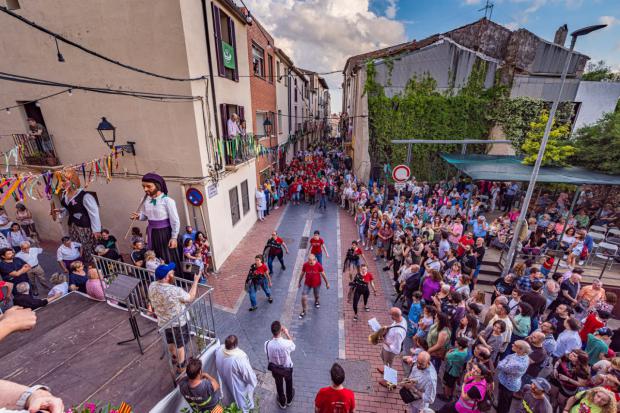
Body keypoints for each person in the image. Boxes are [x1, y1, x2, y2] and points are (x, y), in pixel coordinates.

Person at [148, 263, 201, 374]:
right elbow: (190, 297)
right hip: (178, 323)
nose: (174, 273)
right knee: (180, 345)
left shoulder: (152, 285)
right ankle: (181, 367)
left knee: (170, 342)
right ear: (167, 277)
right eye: (171, 273)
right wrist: (195, 281)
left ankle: (174, 357)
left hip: (163, 322)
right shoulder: (175, 290)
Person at [132, 173, 181, 267]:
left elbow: (175, 221)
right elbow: (146, 216)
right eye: (143, 186)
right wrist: (139, 216)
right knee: (154, 256)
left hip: (164, 233)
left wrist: (174, 237)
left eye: (148, 186)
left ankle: (169, 277)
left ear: (157, 186)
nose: (145, 189)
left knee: (166, 256)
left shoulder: (168, 201)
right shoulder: (144, 199)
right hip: (152, 232)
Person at [53, 169, 101, 263]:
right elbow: (70, 209)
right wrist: (62, 210)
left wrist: (96, 230)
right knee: (77, 245)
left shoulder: (85, 195)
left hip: (85, 227)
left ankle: (93, 267)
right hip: (73, 226)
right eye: (61, 181)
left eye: (64, 180)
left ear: (72, 181)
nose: (62, 183)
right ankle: (81, 265)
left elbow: (94, 213)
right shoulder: (65, 195)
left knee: (88, 246)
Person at [215, 335, 257, 413]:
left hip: (226, 388)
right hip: (239, 391)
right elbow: (250, 377)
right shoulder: (239, 359)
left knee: (230, 404)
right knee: (243, 408)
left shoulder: (219, 351)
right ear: (235, 344)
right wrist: (253, 381)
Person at [266, 320, 296, 409]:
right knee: (289, 383)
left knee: (279, 384)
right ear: (280, 331)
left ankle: (282, 402)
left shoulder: (267, 344)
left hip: (275, 369)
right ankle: (289, 399)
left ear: (272, 332)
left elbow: (267, 351)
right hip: (287, 368)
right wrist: (287, 333)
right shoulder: (286, 343)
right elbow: (293, 346)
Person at [496, 340, 531, 413]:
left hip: (508, 385)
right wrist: (505, 362)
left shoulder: (518, 364)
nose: (512, 345)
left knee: (504, 404)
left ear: (520, 349)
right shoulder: (521, 355)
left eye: (514, 345)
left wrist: (504, 362)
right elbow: (507, 359)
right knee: (504, 401)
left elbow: (500, 366)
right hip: (506, 381)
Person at [298, 253, 329, 319]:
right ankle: (304, 310)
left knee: (316, 295)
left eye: (312, 260)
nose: (311, 261)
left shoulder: (318, 265)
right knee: (303, 297)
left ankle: (317, 301)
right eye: (309, 260)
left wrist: (327, 283)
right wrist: (299, 282)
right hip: (307, 284)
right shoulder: (305, 265)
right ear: (308, 260)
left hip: (317, 284)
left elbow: (323, 274)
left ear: (315, 260)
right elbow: (302, 273)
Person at [378, 307, 407, 377]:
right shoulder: (401, 319)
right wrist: (387, 328)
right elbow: (394, 325)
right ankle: (386, 369)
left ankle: (389, 381)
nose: (390, 316)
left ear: (395, 316)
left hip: (389, 351)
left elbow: (396, 349)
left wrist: (385, 341)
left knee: (388, 364)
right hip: (386, 348)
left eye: (391, 315)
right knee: (382, 357)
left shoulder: (398, 332)